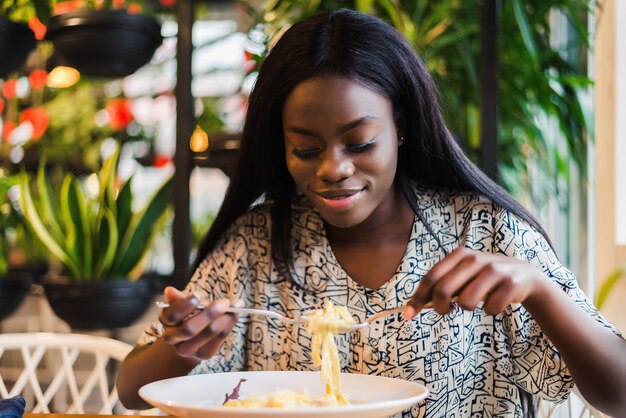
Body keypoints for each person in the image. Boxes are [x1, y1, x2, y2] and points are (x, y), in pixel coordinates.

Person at [116, 8, 626, 417]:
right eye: (307, 149)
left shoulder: (482, 231)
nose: (334, 168)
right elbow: (132, 391)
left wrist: (538, 289)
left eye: (360, 142)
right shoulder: (255, 247)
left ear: (400, 126)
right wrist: (180, 346)